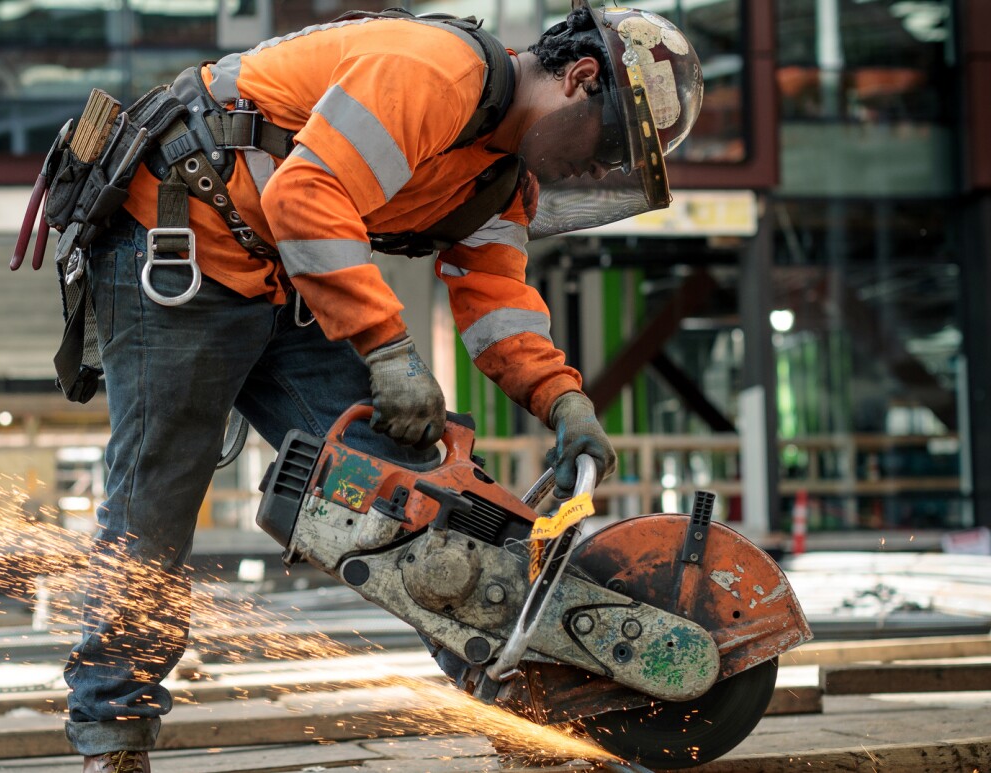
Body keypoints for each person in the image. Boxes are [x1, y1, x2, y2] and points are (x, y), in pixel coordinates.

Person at [50, 3, 704, 771]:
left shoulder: (501, 180)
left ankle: (526, 704)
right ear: (581, 79)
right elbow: (304, 194)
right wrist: (389, 350)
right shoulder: (433, 71)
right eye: (611, 150)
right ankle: (112, 734)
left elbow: (496, 303)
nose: (599, 173)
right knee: (156, 495)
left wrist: (566, 402)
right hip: (181, 241)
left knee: (421, 491)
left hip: (284, 273)